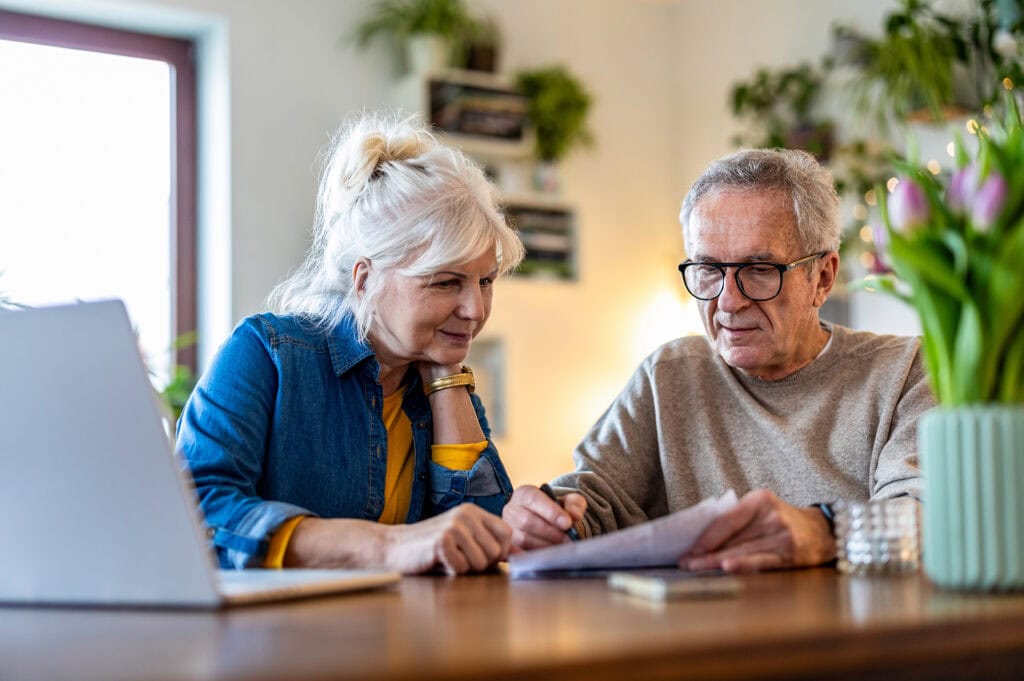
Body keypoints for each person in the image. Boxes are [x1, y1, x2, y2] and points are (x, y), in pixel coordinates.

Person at [502, 148, 936, 573]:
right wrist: (549, 519)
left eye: (760, 270)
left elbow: (928, 515)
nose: (729, 301)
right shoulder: (670, 375)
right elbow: (593, 500)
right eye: (709, 269)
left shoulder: (906, 371)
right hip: (704, 637)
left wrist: (825, 530)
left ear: (822, 278)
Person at [176, 113, 525, 575]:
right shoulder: (267, 354)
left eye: (485, 281)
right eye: (445, 283)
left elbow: (479, 542)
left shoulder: (438, 376)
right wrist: (384, 547)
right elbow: (196, 512)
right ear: (365, 280)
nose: (476, 309)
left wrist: (447, 380)